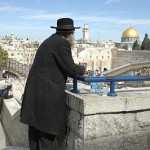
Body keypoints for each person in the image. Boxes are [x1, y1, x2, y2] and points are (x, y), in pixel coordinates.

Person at [20, 18, 85, 150]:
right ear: (68, 33)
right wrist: (83, 69)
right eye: (72, 33)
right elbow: (71, 69)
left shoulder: (50, 40)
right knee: (46, 135)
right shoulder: (62, 43)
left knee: (34, 133)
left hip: (36, 94)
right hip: (46, 97)